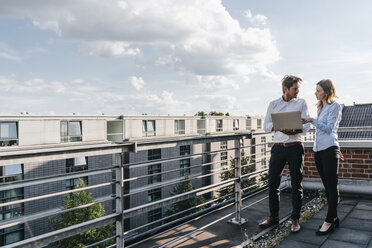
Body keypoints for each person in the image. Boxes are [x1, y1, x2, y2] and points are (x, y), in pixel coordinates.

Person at [259, 75, 311, 233]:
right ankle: (273, 216)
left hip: (295, 147)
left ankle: (295, 219)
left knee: (296, 184)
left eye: (298, 89)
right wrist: (279, 127)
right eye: (295, 89)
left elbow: (307, 125)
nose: (297, 91)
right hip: (278, 147)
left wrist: (295, 129)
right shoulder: (273, 104)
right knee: (273, 183)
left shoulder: (301, 103)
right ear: (285, 89)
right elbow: (266, 126)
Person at [302, 79, 342, 235]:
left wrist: (313, 120)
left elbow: (329, 129)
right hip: (318, 150)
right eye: (315, 90)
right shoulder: (320, 107)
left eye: (318, 90)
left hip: (329, 150)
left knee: (332, 187)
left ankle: (329, 221)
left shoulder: (335, 106)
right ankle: (335, 217)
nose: (315, 93)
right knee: (327, 186)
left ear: (326, 91)